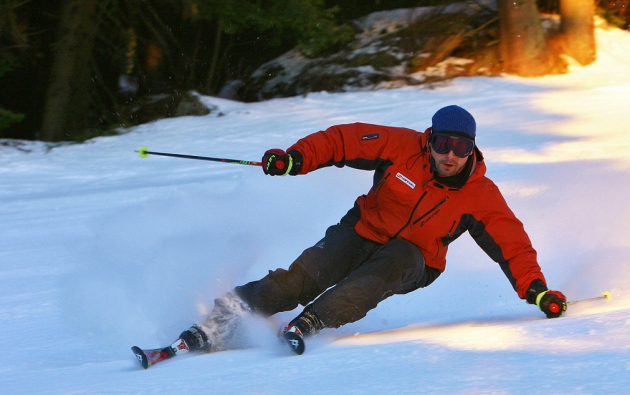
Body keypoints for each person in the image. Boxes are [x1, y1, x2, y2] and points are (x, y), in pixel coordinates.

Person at [171, 105, 567, 355]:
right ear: (429, 139)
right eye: (444, 143)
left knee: (383, 268)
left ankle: (312, 321)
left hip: (414, 259)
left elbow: (512, 244)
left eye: (461, 148)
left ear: (472, 150)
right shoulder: (399, 147)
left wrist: (537, 290)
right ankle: (219, 319)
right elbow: (342, 140)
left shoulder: (480, 194)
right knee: (297, 281)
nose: (450, 155)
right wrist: (295, 158)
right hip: (361, 231)